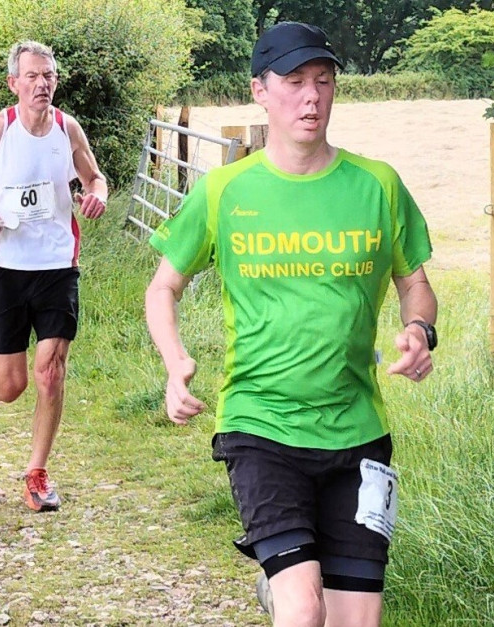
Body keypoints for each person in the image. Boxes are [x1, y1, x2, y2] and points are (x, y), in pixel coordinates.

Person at [144, 22, 438, 626]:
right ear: (260, 90)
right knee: (304, 608)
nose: (312, 96)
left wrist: (419, 331)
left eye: (324, 82)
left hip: (358, 431)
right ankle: (285, 582)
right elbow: (163, 287)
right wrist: (175, 364)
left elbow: (416, 284)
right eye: (296, 81)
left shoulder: (377, 185)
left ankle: (279, 578)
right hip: (261, 423)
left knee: (357, 619)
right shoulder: (227, 191)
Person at [0, 40, 108, 512]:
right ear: (14, 83)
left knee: (51, 369)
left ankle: (37, 474)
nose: (42, 84)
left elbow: (95, 177)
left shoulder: (67, 128)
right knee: (14, 383)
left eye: (49, 76)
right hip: (5, 268)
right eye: (33, 76)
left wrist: (96, 195)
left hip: (58, 264)